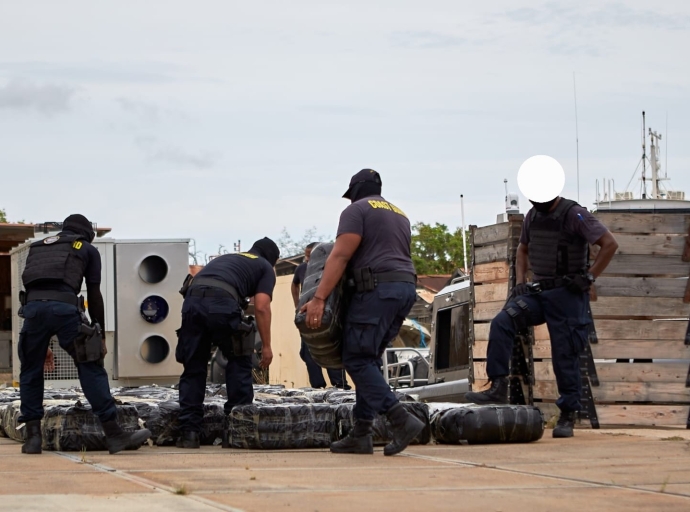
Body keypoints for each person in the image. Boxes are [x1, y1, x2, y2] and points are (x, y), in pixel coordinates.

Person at [465, 191, 618, 438]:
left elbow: (609, 244)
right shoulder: (533, 216)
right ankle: (498, 386)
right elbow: (522, 250)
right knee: (502, 322)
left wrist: (590, 277)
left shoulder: (575, 214)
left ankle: (567, 415)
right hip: (538, 293)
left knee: (564, 356)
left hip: (567, 295)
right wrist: (520, 281)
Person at [301, 169, 422, 456]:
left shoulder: (356, 210)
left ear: (354, 191)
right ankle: (362, 432)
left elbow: (340, 255)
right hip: (404, 289)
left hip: (376, 290)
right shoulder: (399, 213)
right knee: (368, 360)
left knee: (355, 359)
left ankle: (400, 419)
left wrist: (319, 298)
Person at [18, 214, 151, 454]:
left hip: (33, 312)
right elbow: (94, 293)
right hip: (66, 310)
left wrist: (43, 339)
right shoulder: (87, 249)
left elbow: (36, 289)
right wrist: (98, 331)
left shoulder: (38, 248)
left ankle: (33, 438)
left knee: (30, 369)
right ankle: (114, 435)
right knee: (90, 365)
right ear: (86, 233)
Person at [175, 237, 279, 448]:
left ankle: (189, 433)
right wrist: (266, 346)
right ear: (272, 260)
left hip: (192, 302)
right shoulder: (265, 266)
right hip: (222, 303)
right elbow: (261, 306)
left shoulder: (230, 259)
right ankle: (237, 430)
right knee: (239, 360)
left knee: (194, 367)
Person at [292, 242, 349, 389]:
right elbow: (294, 285)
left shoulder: (329, 267)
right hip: (307, 314)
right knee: (307, 352)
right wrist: (297, 305)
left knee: (331, 349)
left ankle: (340, 385)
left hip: (327, 314)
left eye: (310, 255)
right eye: (306, 255)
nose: (307, 258)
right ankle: (317, 387)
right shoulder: (302, 269)